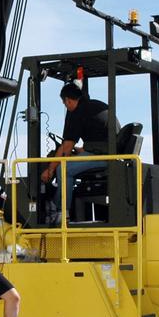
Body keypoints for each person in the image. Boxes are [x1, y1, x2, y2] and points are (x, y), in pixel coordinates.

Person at [40, 82, 117, 220]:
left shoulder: (77, 112)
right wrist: (83, 150)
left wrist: (50, 169)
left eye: (65, 104)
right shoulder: (96, 105)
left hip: (103, 158)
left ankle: (60, 212)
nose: (66, 107)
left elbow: (66, 148)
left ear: (68, 101)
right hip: (112, 155)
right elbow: (101, 136)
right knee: (71, 163)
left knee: (63, 169)